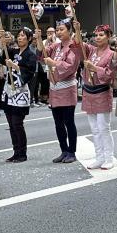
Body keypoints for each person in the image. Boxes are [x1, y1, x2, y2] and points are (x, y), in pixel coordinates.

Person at [44, 17, 83, 164]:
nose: (59, 32)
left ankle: (71, 151)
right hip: (54, 88)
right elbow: (42, 54)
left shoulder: (73, 46)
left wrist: (53, 63)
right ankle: (63, 150)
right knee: (58, 123)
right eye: (58, 30)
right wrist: (38, 38)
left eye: (62, 29)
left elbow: (70, 66)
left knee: (68, 121)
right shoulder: (55, 46)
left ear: (69, 30)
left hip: (66, 87)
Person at [81, 24, 117, 170]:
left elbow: (111, 73)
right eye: (96, 35)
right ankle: (99, 157)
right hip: (88, 91)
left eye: (101, 35)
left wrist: (94, 68)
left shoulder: (112, 54)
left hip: (102, 91)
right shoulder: (90, 50)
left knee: (104, 127)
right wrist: (77, 28)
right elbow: (78, 43)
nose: (98, 37)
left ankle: (108, 157)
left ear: (108, 37)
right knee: (94, 128)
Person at [0, 27, 36, 162]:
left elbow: (30, 72)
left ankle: (22, 153)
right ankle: (16, 151)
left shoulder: (30, 55)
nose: (20, 38)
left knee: (17, 123)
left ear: (29, 38)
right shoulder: (13, 51)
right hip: (9, 90)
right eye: (19, 35)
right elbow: (2, 57)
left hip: (20, 92)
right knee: (11, 124)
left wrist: (15, 67)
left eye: (23, 35)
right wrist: (2, 42)